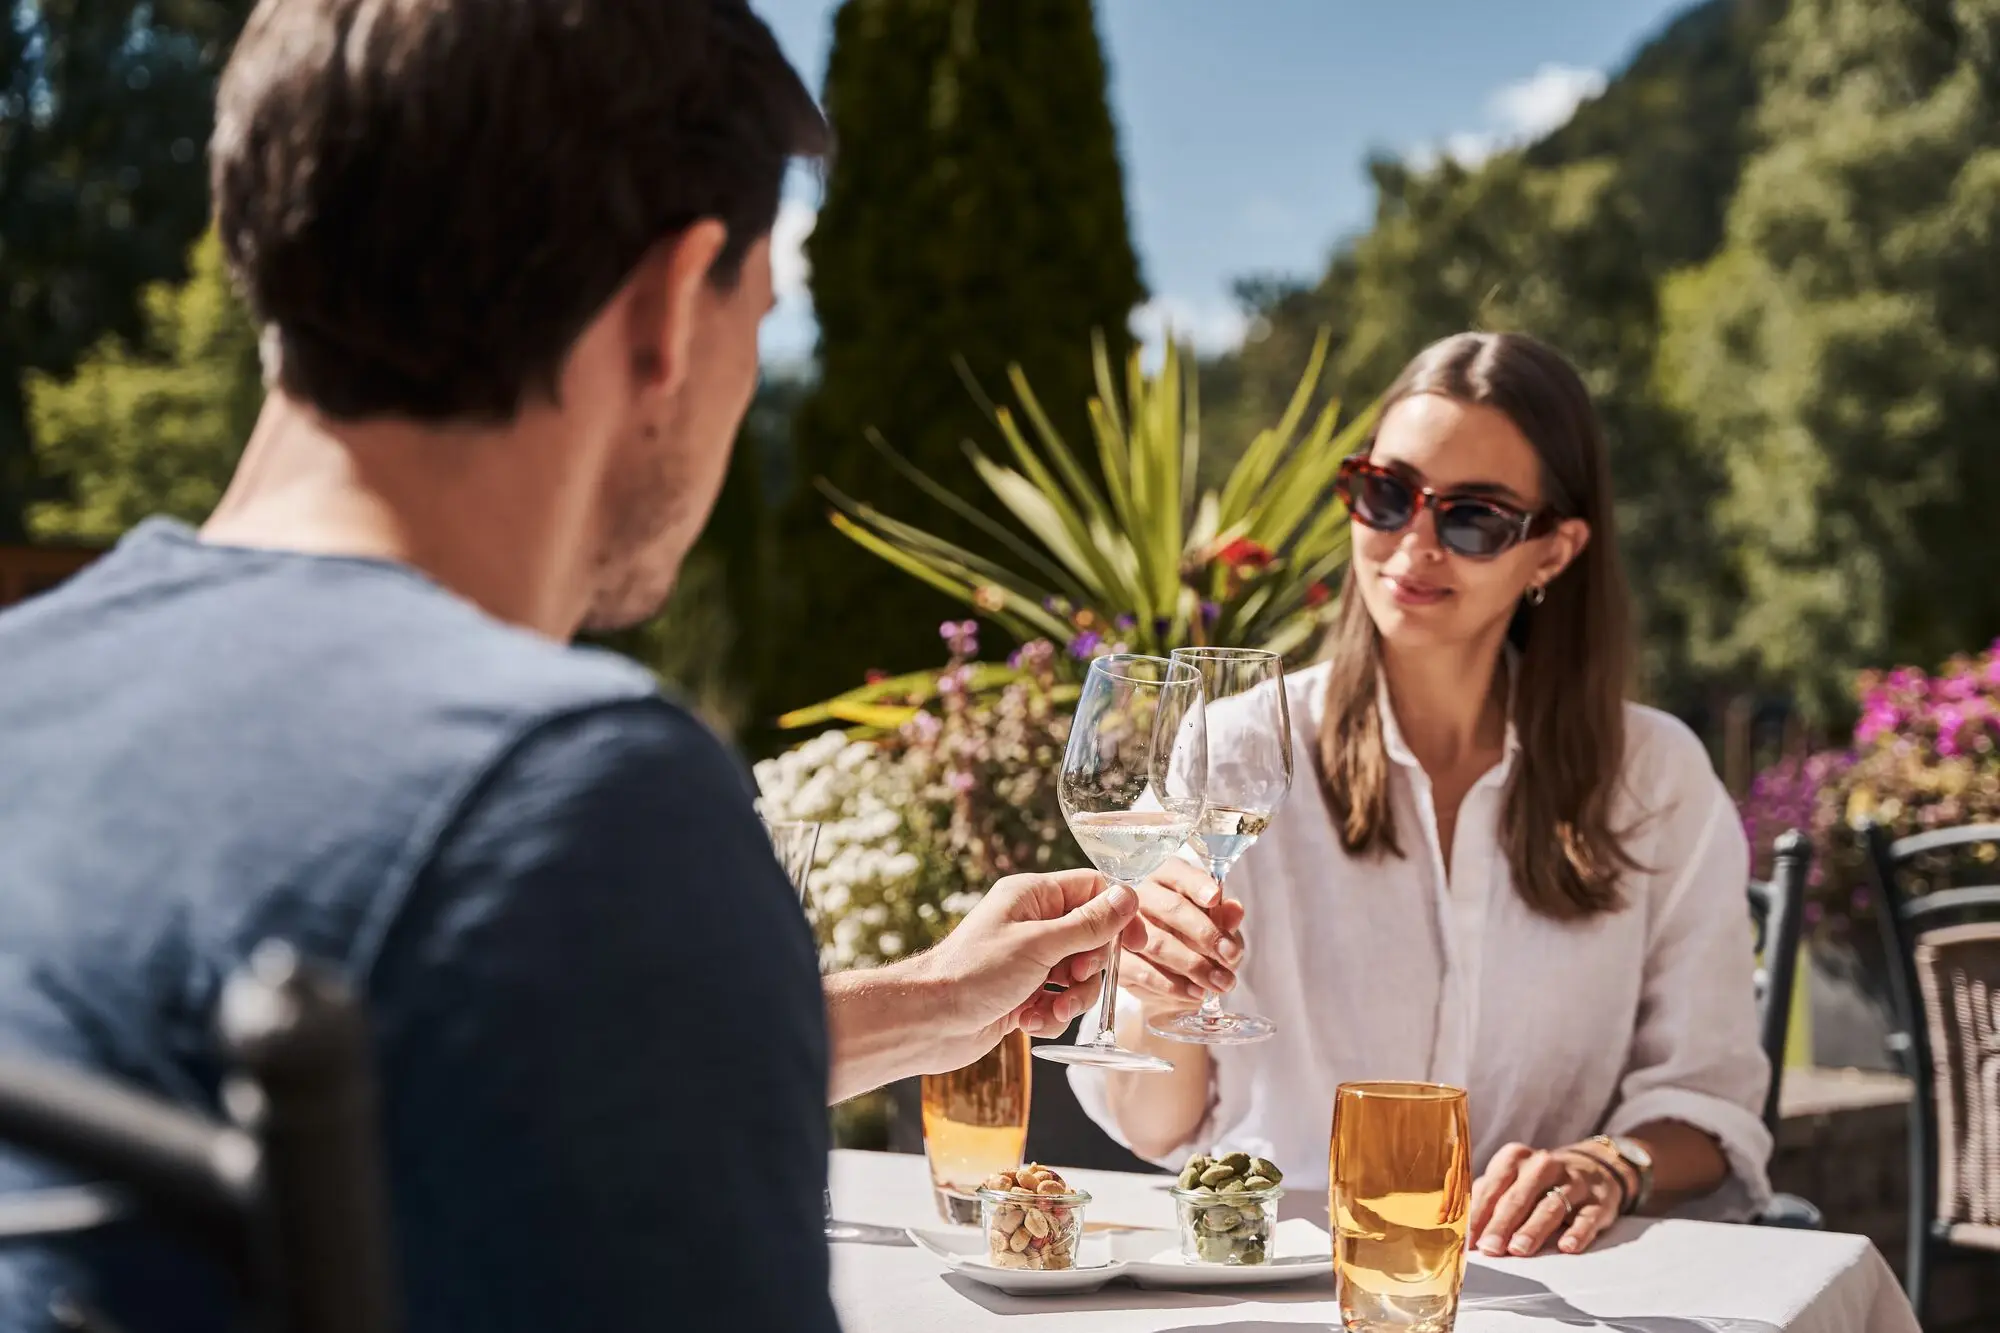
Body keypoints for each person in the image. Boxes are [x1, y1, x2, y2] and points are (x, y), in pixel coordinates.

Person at [0, 1, 1142, 1329]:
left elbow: (432, 1077)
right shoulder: (568, 796)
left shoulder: (31, 685)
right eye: (757, 315)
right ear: (669, 303)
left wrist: (930, 1005)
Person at [1071, 331, 1772, 1259]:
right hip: (1284, 1282)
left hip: (1547, 1288)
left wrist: (1607, 1164)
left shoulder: (1654, 776)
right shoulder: (1233, 746)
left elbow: (1709, 1101)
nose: (1414, 543)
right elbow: (1157, 1127)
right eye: (1387, 493)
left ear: (1554, 551)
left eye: (1474, 517)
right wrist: (1155, 996)